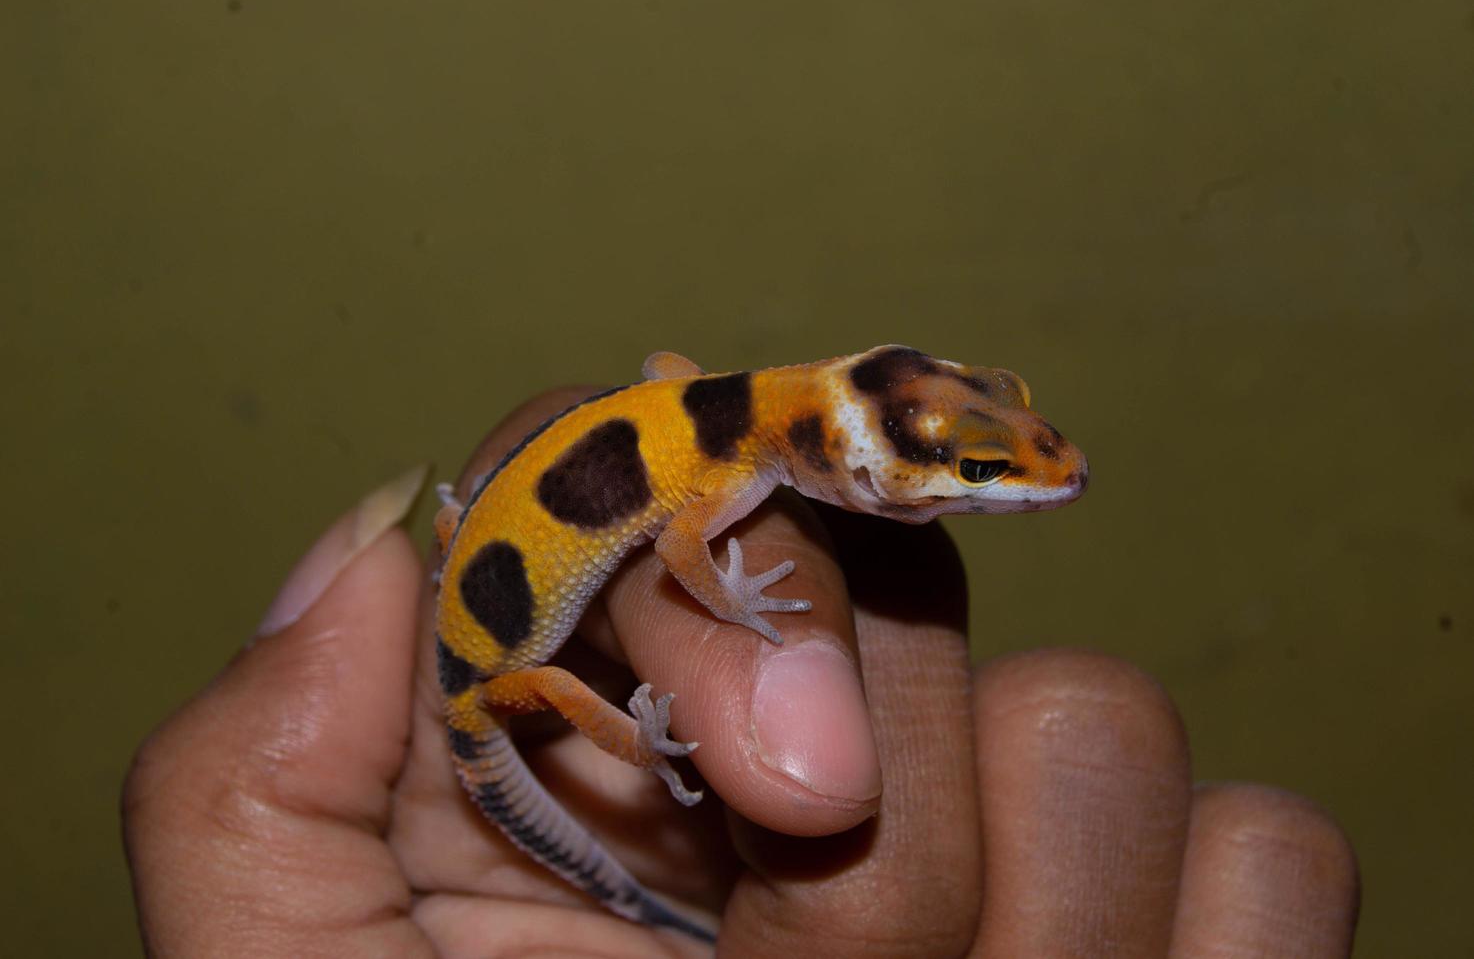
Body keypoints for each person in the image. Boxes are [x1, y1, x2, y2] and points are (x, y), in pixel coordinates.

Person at [122, 388, 1359, 957]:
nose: (1043, 477)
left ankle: (651, 892)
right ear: (866, 460)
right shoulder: (736, 464)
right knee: (611, 710)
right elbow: (675, 552)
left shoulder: (752, 434)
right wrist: (652, 732)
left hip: (493, 571)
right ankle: (641, 786)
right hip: (492, 672)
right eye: (980, 471)